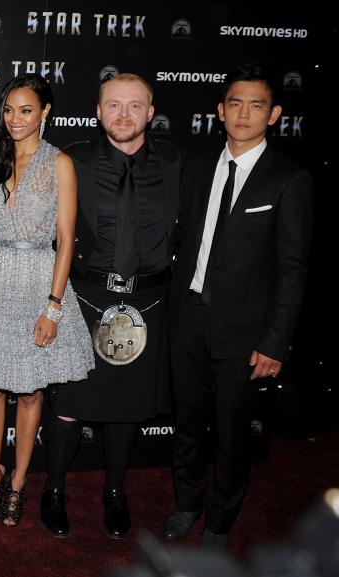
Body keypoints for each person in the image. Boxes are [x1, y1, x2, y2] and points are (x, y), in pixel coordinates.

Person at [165, 63, 314, 549]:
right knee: (187, 421)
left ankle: (219, 522)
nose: (243, 113)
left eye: (255, 105)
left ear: (274, 115)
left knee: (231, 435)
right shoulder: (198, 164)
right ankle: (187, 503)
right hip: (188, 316)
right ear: (219, 111)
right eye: (235, 103)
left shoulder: (289, 180)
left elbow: (293, 269)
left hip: (246, 332)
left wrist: (276, 340)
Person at [42, 73, 182, 540]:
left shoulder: (177, 164)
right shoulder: (72, 161)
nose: (124, 115)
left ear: (150, 110)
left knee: (125, 405)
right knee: (69, 404)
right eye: (114, 105)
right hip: (84, 297)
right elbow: (39, 223)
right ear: (98, 111)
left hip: (150, 299)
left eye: (135, 106)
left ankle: (115, 493)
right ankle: (55, 491)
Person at [0, 74, 94, 526]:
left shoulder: (60, 164)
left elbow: (67, 241)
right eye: (9, 110)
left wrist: (53, 307)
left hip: (38, 281)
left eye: (26, 110)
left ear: (45, 112)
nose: (15, 119)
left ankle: (18, 481)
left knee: (32, 391)